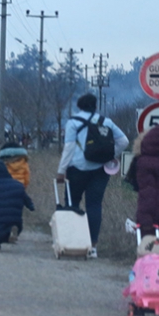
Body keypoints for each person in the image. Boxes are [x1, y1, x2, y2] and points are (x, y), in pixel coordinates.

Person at [56, 93, 129, 259]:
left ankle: (74, 242)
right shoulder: (106, 121)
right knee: (94, 205)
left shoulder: (73, 122)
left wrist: (61, 170)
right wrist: (110, 155)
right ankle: (93, 246)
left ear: (79, 106)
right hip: (100, 170)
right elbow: (123, 141)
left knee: (72, 203)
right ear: (95, 106)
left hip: (77, 168)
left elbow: (68, 148)